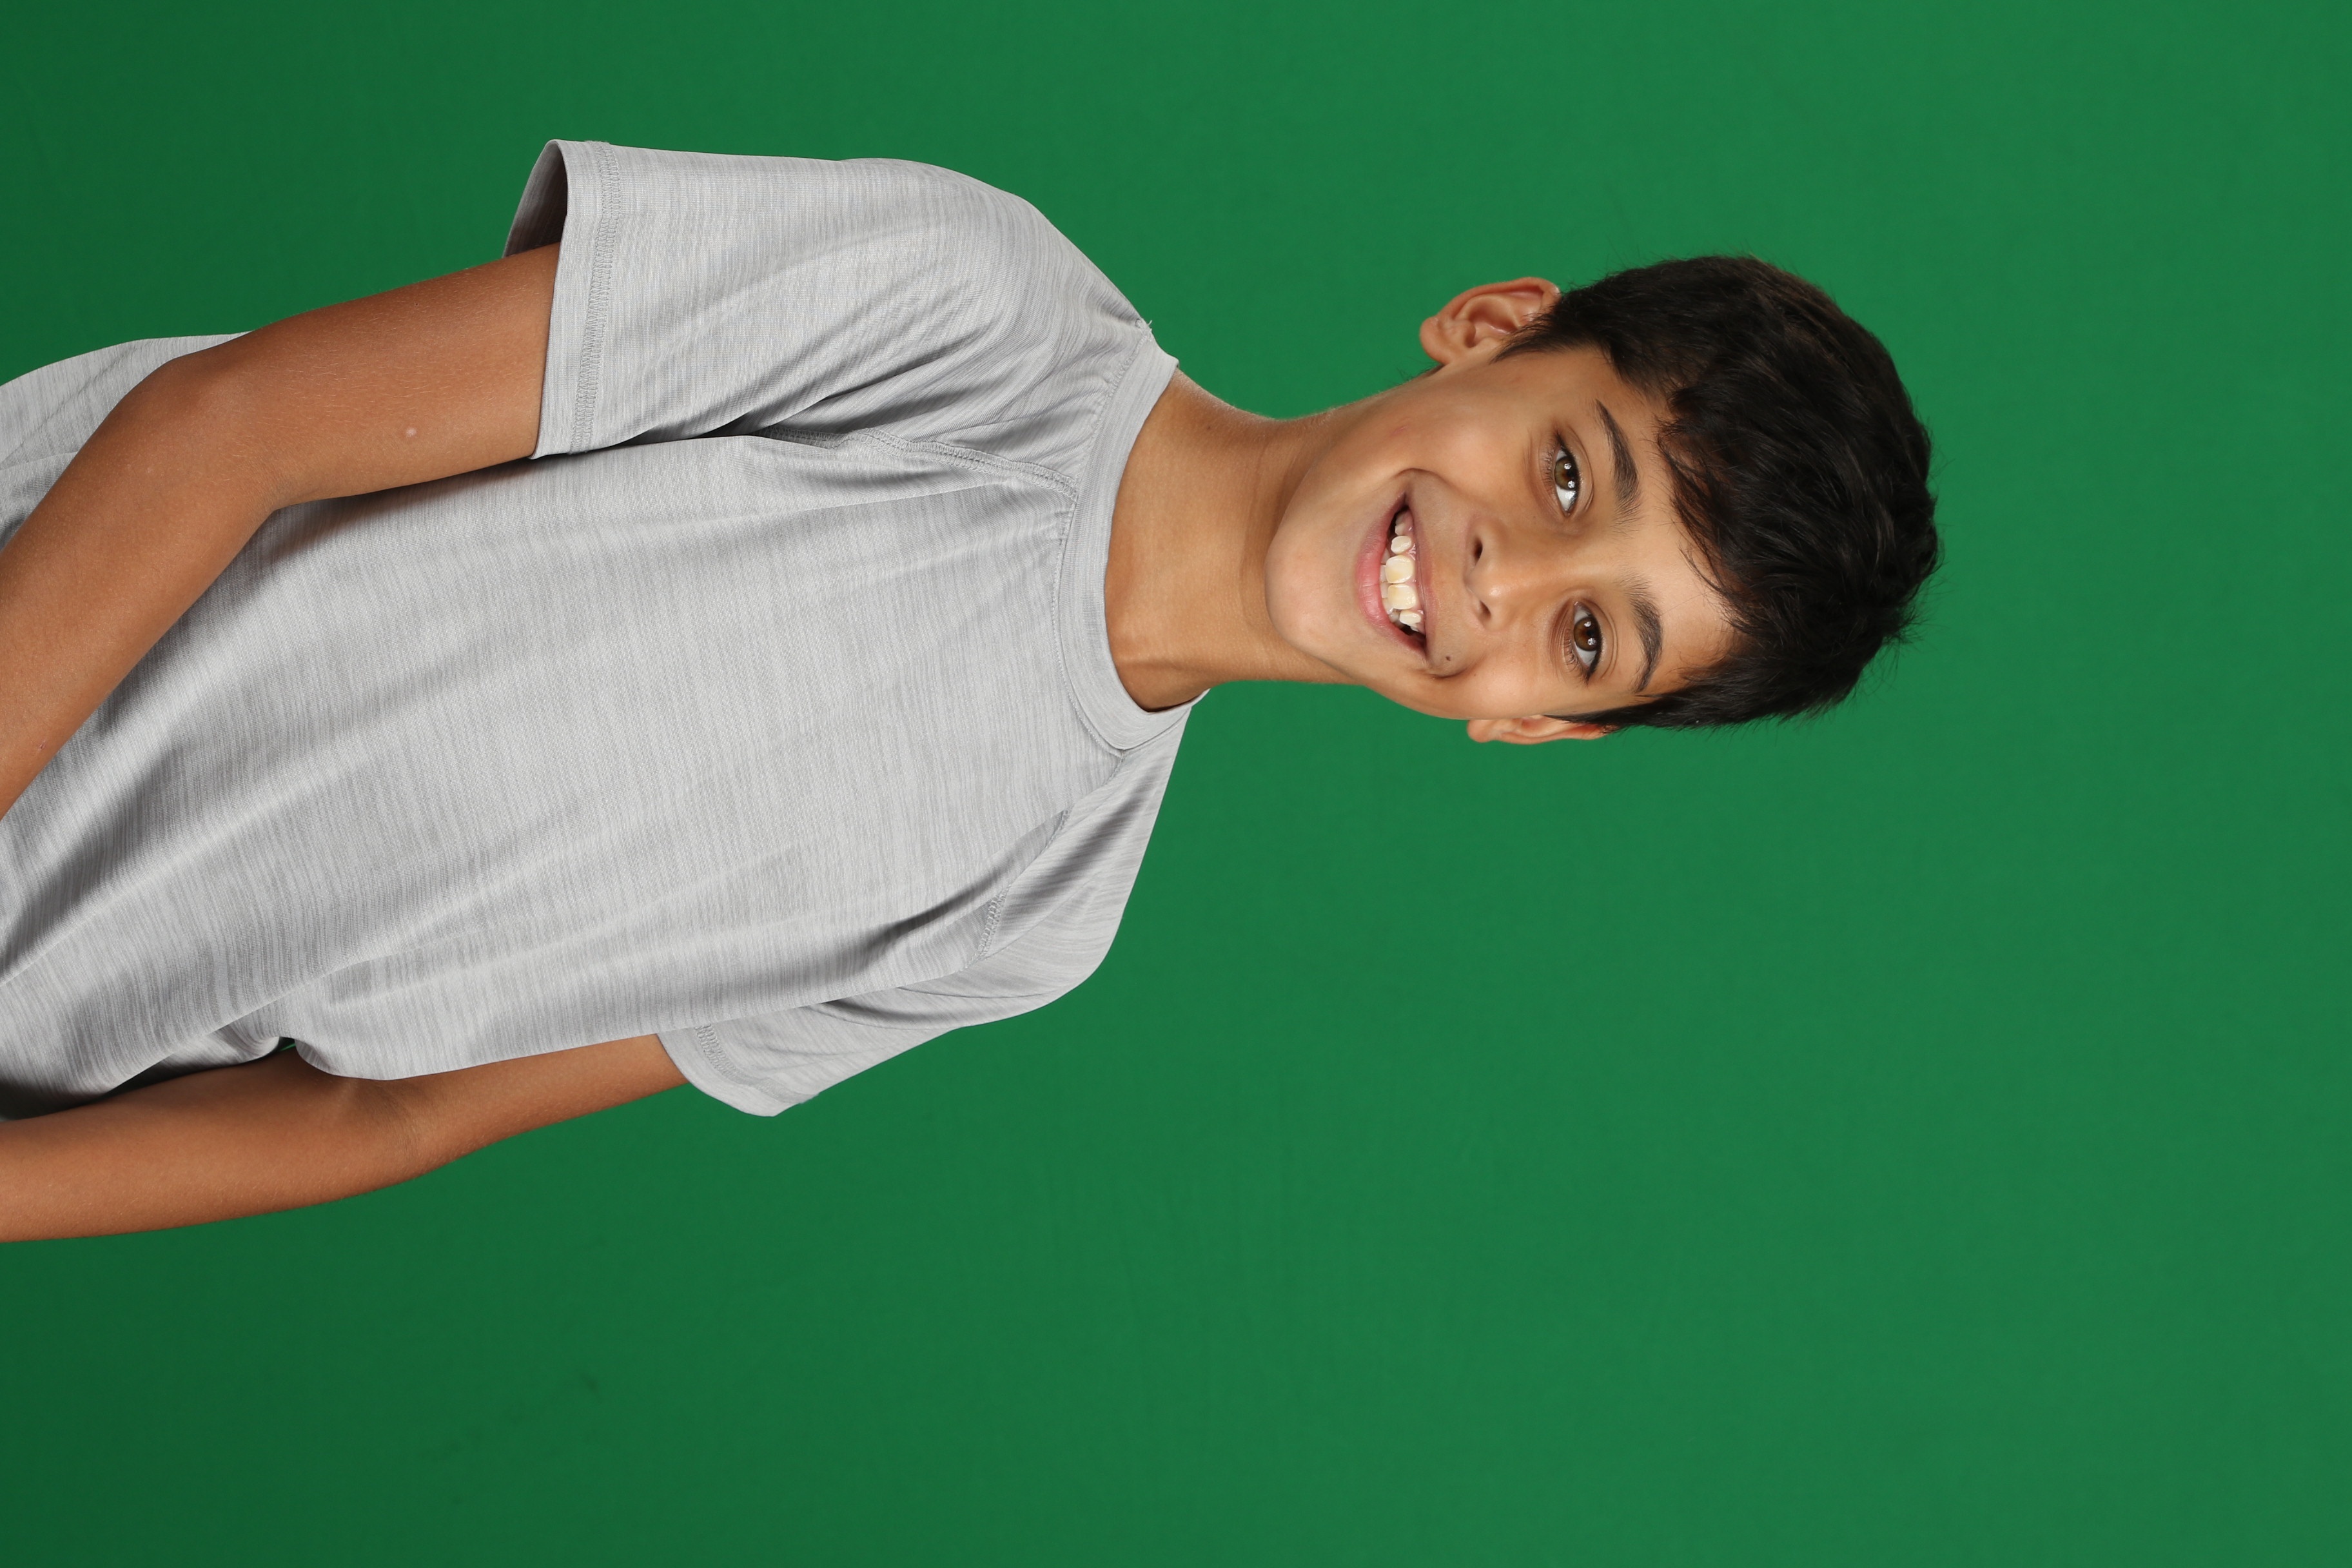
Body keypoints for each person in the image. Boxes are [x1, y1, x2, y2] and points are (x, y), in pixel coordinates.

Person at [0, 141, 1937, 1240]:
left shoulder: (1037, 908)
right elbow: (227, 428)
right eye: (1572, 473)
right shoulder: (976, 313)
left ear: (1538, 725)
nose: (1514, 574)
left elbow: (388, 1113)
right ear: (1496, 329)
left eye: (1591, 640)